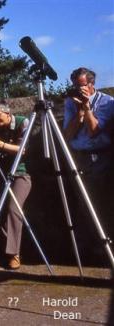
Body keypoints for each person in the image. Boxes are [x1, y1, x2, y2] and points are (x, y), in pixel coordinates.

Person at [63, 67, 114, 258]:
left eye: (81, 85)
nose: (77, 89)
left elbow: (94, 130)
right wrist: (80, 112)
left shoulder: (108, 103)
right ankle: (84, 248)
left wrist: (87, 107)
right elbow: (67, 134)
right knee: (80, 202)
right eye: (74, 85)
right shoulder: (71, 102)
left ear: (91, 84)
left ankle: (101, 248)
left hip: (100, 157)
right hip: (78, 156)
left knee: (98, 202)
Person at [0, 102, 31, 270]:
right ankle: (5, 251)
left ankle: (14, 254)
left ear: (7, 113)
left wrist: (2, 145)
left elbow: (24, 149)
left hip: (21, 174)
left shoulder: (22, 122)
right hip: (3, 175)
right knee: (0, 210)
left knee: (14, 209)